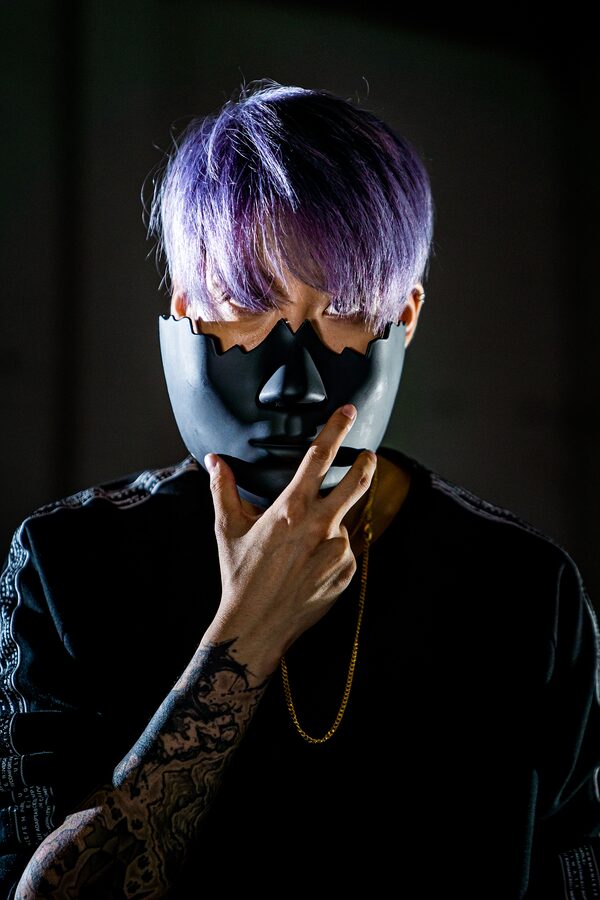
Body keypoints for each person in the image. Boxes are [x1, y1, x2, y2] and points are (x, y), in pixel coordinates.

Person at [1, 80, 598, 900]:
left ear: (405, 317)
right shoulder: (72, 563)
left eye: (345, 309)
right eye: (251, 304)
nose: (295, 382)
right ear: (186, 309)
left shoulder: (524, 588)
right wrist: (245, 637)